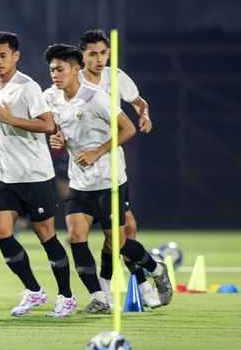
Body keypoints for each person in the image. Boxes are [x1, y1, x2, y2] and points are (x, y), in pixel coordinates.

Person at [43, 43, 172, 314]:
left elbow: (127, 129)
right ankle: (100, 298)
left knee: (119, 244)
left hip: (109, 181)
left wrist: (97, 152)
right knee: (76, 237)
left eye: (60, 69)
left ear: (75, 70)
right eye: (52, 70)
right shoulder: (52, 97)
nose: (55, 75)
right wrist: (59, 139)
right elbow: (61, 130)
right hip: (79, 183)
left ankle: (156, 268)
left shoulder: (96, 97)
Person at [0, 31, 75, 318]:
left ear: (16, 56)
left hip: (35, 175)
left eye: (3, 55)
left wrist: (11, 120)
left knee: (45, 235)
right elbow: (3, 124)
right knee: (1, 232)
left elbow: (47, 125)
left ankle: (66, 297)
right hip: (6, 175)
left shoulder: (28, 86)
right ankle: (34, 290)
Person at [77, 29, 158, 307]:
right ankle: (143, 282)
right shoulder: (73, 82)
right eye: (92, 54)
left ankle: (111, 286)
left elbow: (139, 103)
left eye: (103, 53)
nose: (99, 59)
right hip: (84, 170)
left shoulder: (115, 77)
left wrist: (145, 115)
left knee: (122, 231)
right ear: (82, 56)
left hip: (112, 166)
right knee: (112, 232)